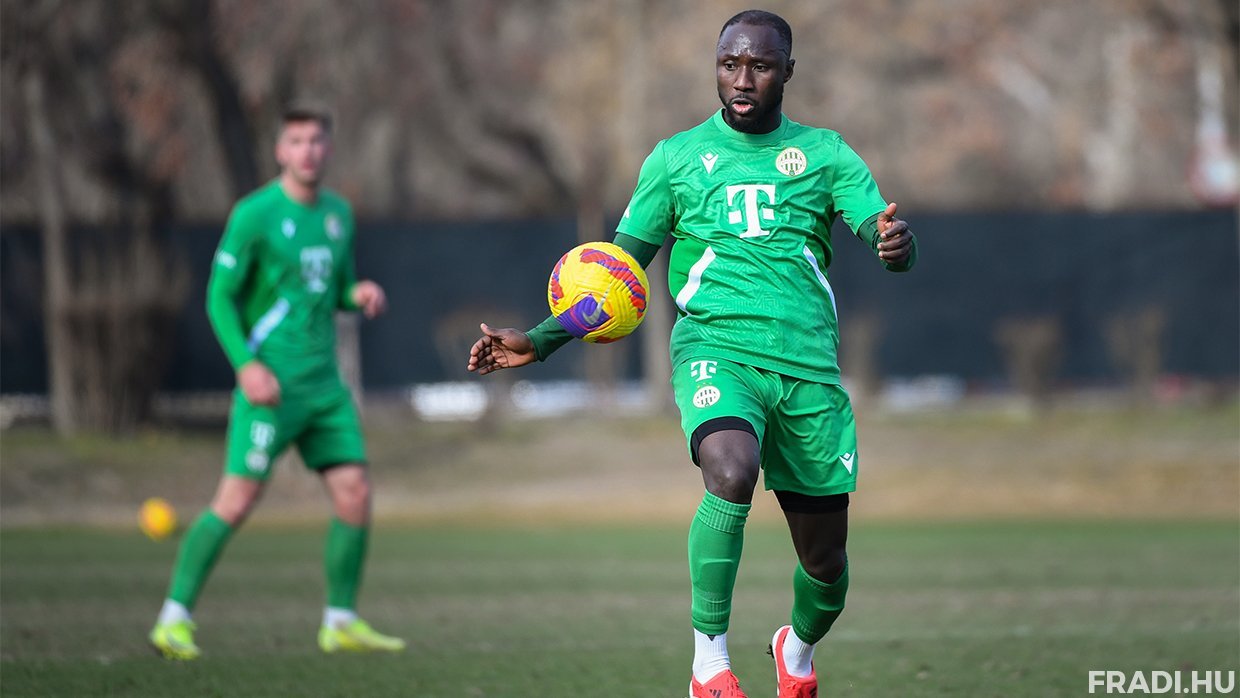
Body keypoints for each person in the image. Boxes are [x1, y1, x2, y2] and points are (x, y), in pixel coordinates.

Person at [467, 9, 917, 697]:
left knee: (826, 567)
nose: (742, 79)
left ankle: (796, 650)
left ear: (787, 72)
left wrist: (895, 246)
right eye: (729, 64)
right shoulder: (675, 159)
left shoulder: (825, 154)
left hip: (809, 374)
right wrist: (542, 338)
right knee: (731, 471)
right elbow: (616, 273)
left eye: (760, 66)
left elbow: (880, 233)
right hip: (715, 351)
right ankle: (709, 664)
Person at [148, 107, 404, 660]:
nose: (308, 150)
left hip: (325, 387)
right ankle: (173, 619)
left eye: (317, 140)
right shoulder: (255, 214)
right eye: (297, 141)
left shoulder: (338, 214)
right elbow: (219, 297)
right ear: (280, 151)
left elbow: (334, 288)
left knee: (355, 493)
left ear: (328, 148)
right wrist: (246, 366)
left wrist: (357, 294)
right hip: (271, 384)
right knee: (237, 500)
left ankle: (340, 621)